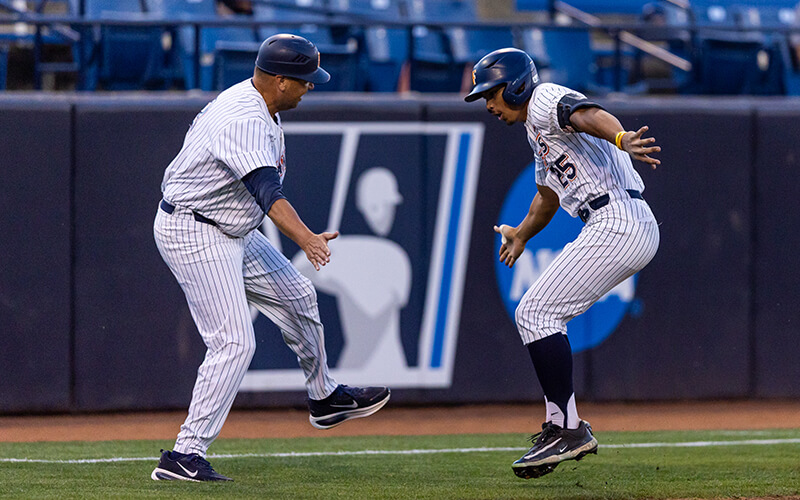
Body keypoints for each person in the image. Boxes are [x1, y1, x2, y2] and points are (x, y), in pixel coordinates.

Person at [150, 33, 391, 482]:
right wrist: (306, 239)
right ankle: (184, 455)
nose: (311, 86)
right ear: (280, 81)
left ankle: (323, 397)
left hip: (228, 224)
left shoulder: (261, 102)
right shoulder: (244, 116)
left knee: (298, 294)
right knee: (235, 343)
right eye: (305, 80)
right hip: (195, 230)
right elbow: (267, 193)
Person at [464, 48, 661, 479]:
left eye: (491, 95)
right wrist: (520, 233)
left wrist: (621, 138)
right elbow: (548, 197)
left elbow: (586, 112)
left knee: (536, 312)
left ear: (514, 85)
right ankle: (560, 424)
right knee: (537, 315)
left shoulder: (543, 99)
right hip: (616, 219)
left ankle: (569, 428)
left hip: (618, 220)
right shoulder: (536, 129)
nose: (490, 106)